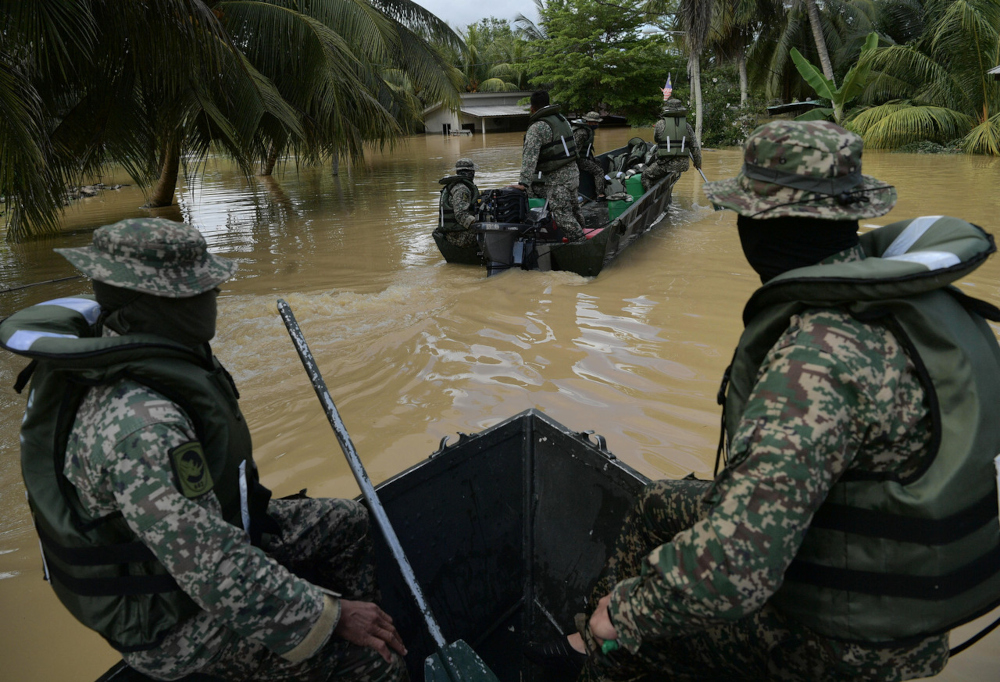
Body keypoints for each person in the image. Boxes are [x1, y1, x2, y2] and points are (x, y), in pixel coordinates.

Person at [528, 120, 1000, 681]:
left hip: (842, 644)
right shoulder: (910, 299)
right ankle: (588, 636)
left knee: (629, 644)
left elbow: (736, 568)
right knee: (658, 503)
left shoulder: (816, 360)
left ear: (760, 229)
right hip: (897, 584)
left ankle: (594, 652)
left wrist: (623, 615)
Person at [0, 218, 408, 682]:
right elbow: (216, 572)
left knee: (348, 523)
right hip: (171, 623)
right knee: (377, 664)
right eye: (201, 289)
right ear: (159, 303)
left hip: (191, 558)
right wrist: (333, 618)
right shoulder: (142, 427)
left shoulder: (142, 346)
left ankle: (361, 628)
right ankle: (355, 648)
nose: (214, 296)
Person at [512, 90, 586, 242]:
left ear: (532, 108)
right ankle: (584, 233)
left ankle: (582, 245)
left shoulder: (537, 127)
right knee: (574, 209)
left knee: (562, 215)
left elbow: (529, 157)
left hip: (557, 178)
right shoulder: (562, 119)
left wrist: (523, 183)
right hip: (573, 172)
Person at [641, 98, 701, 192]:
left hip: (666, 164)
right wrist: (698, 163)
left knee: (645, 175)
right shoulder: (687, 125)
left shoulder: (660, 124)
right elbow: (695, 148)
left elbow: (656, 140)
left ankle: (650, 198)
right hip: (683, 165)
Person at [436, 158, 481, 248]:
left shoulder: (455, 185)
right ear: (471, 173)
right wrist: (480, 223)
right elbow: (461, 215)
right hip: (457, 236)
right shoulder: (462, 189)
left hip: (452, 232)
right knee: (494, 233)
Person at [573, 111, 606, 198]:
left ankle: (600, 186)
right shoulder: (582, 133)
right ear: (589, 122)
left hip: (584, 157)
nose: (596, 124)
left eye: (597, 122)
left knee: (598, 162)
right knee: (599, 172)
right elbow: (575, 150)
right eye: (595, 122)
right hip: (579, 160)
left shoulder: (588, 130)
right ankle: (600, 194)